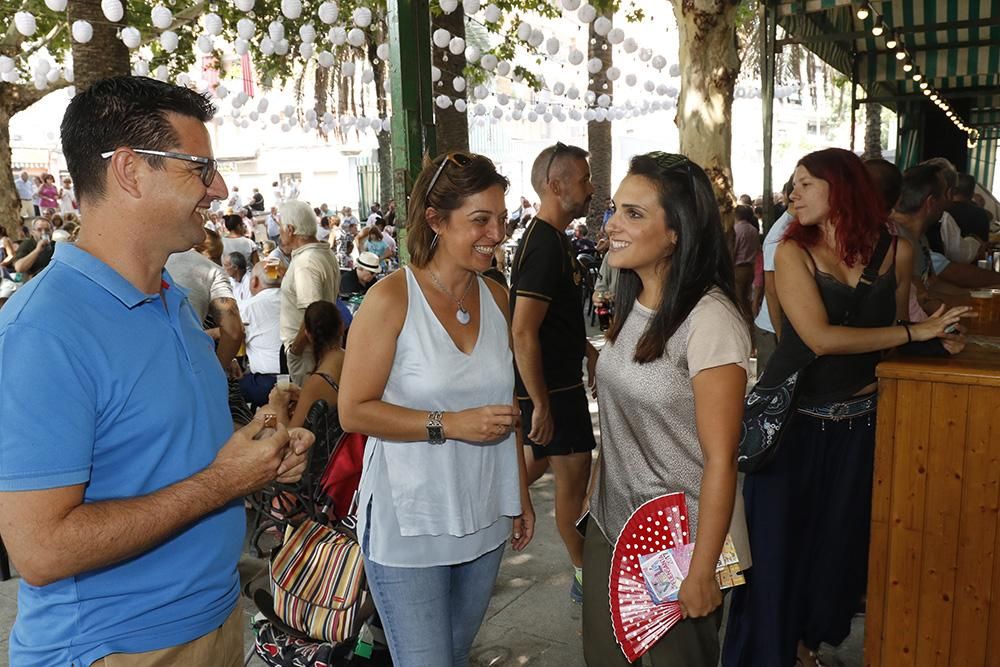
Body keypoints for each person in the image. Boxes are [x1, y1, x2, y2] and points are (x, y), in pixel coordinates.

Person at [0, 75, 314, 666]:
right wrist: (224, 481)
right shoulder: (43, 331)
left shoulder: (171, 301)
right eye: (200, 167)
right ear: (128, 171)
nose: (218, 187)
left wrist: (260, 454)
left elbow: (171, 460)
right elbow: (40, 548)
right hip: (115, 648)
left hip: (215, 622)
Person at [723, 148, 968, 667]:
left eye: (805, 184)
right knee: (772, 557)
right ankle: (765, 655)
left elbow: (888, 337)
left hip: (860, 425)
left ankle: (804, 648)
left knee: (836, 556)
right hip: (793, 427)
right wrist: (913, 331)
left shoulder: (895, 250)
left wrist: (930, 341)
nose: (792, 195)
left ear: (841, 188)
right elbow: (816, 337)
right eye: (792, 185)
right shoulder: (791, 251)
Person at [338, 151, 535, 666]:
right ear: (435, 220)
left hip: (485, 509)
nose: (496, 232)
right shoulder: (391, 299)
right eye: (480, 220)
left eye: (501, 218)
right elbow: (353, 411)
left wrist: (519, 494)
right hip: (410, 521)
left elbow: (507, 405)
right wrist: (449, 425)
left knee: (452, 653)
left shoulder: (497, 296)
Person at [583, 151, 751, 666]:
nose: (612, 224)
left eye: (634, 213)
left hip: (678, 546)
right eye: (616, 209)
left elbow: (722, 460)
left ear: (676, 231)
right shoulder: (635, 301)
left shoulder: (710, 321)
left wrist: (701, 571)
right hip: (613, 526)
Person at [510, 142, 598, 603]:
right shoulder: (544, 243)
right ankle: (585, 572)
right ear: (555, 184)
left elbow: (553, 321)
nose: (590, 186)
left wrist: (586, 348)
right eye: (583, 178)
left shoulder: (552, 239)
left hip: (558, 385)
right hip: (555, 391)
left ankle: (486, 508)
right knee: (575, 479)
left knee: (540, 463)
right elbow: (522, 330)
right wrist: (540, 402)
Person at [278, 199, 341, 385]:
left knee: (308, 405)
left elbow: (312, 314)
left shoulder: (305, 262)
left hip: (308, 352)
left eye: (281, 228)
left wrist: (296, 350)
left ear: (290, 229)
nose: (279, 233)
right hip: (318, 348)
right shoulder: (323, 253)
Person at [288, 300, 344, 428]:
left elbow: (291, 436)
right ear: (341, 327)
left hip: (331, 447)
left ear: (308, 335)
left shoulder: (316, 383)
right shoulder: (355, 360)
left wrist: (278, 406)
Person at [240, 261, 284, 409]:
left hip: (266, 385)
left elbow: (235, 339)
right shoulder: (296, 302)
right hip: (300, 380)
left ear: (254, 282)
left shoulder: (247, 307)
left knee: (230, 389)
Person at [732, 204, 761, 326]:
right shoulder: (753, 229)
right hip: (751, 267)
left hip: (739, 269)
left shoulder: (736, 230)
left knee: (739, 299)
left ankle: (744, 324)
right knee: (746, 297)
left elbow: (733, 250)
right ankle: (750, 322)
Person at [947, 172, 991, 243]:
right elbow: (984, 243)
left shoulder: (942, 211)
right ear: (972, 194)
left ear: (952, 190)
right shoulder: (980, 214)